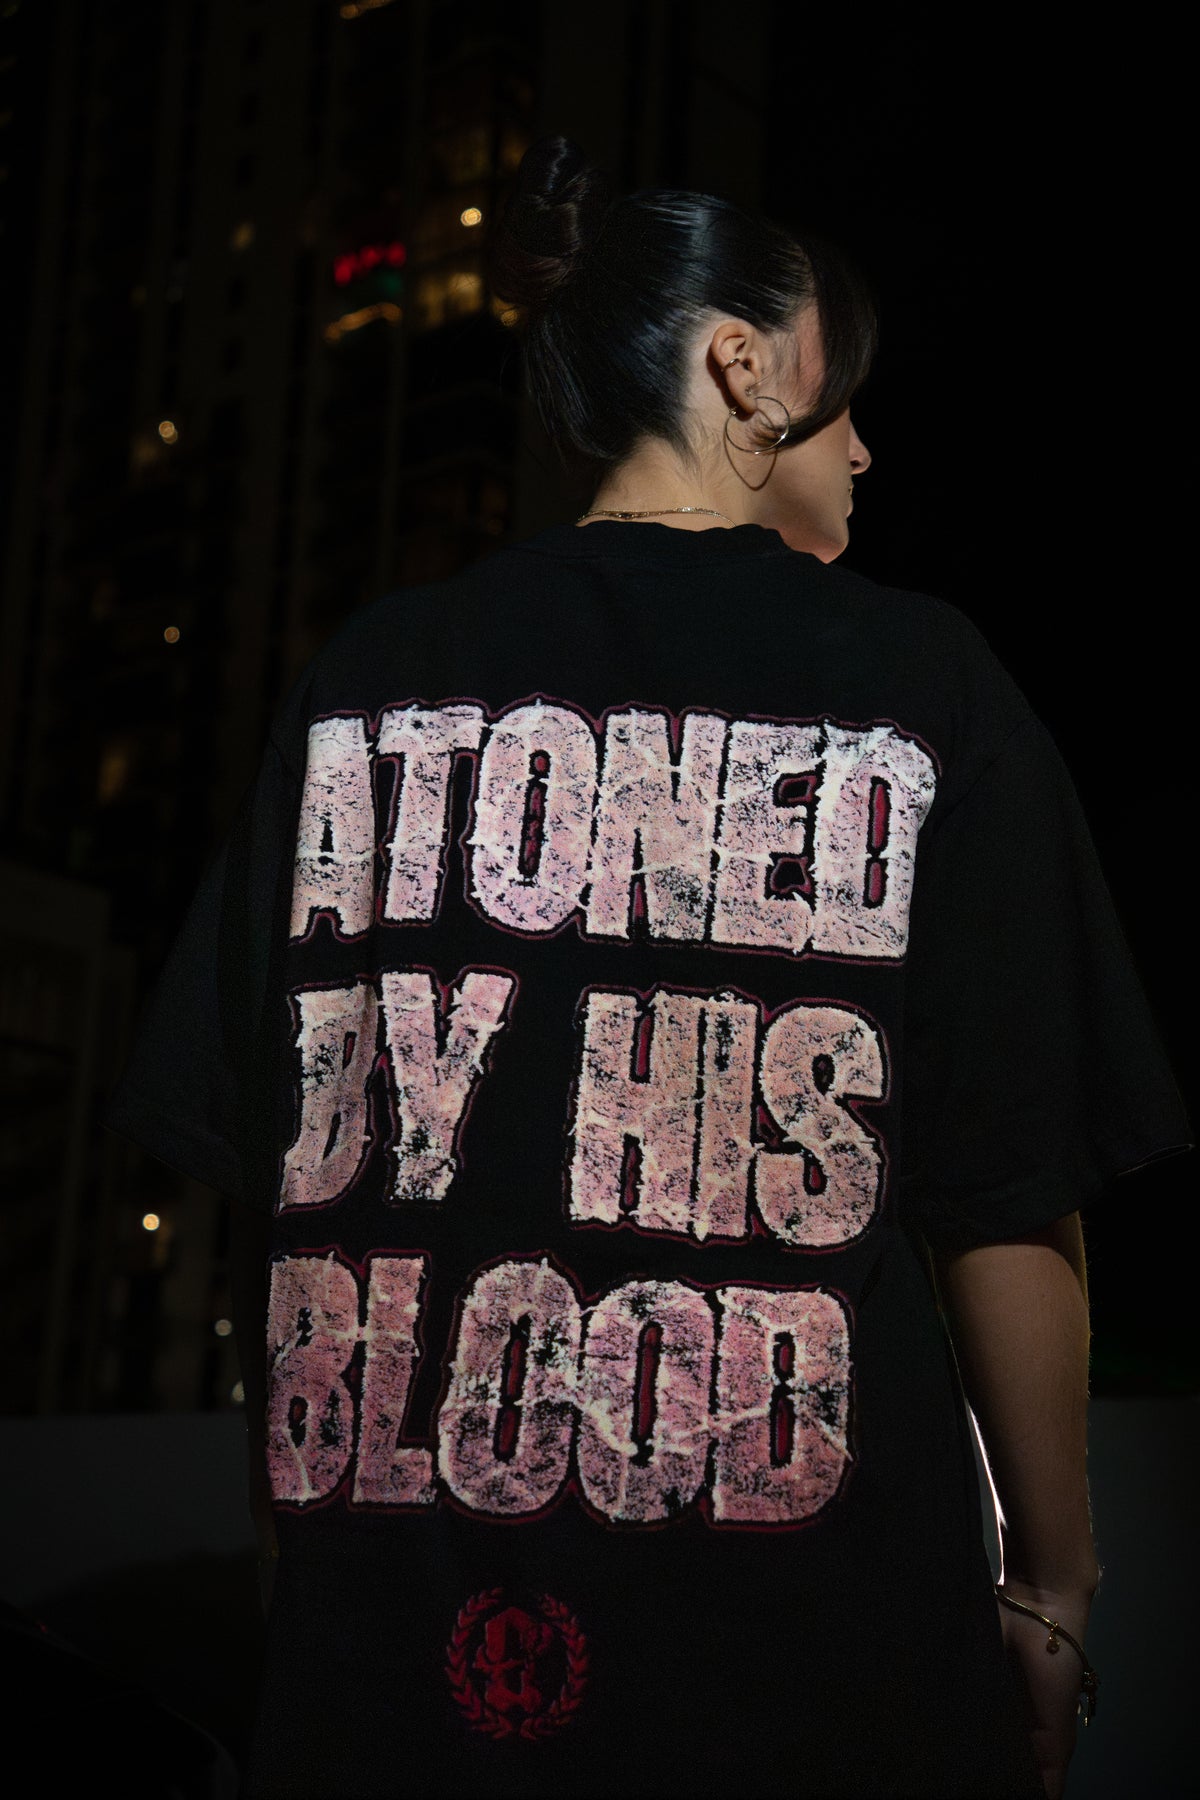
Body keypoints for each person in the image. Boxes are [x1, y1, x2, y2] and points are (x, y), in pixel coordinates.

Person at [102, 135, 1192, 1800]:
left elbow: (298, 1193)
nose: (867, 447)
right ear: (744, 369)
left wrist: (298, 1568)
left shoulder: (367, 680)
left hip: (401, 1662)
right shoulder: (922, 686)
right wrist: (1054, 1588)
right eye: (845, 396)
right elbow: (1005, 1194)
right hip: (817, 1675)